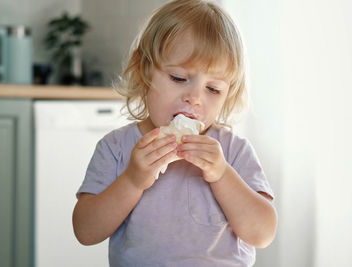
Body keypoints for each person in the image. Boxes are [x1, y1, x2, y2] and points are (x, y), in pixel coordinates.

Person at [72, 0, 277, 266]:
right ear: (145, 69)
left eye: (213, 89)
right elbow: (86, 232)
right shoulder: (116, 148)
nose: (194, 98)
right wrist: (133, 180)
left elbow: (262, 234)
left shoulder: (234, 152)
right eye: (179, 78)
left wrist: (222, 175)